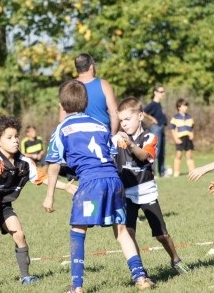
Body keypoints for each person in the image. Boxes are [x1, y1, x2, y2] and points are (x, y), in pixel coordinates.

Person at [44, 80, 153, 293]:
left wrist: (50, 196)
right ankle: (141, 278)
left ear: (63, 106)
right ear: (86, 103)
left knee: (78, 230)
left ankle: (77, 287)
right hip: (113, 182)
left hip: (91, 186)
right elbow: (111, 155)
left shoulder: (62, 129)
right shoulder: (99, 125)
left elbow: (54, 165)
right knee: (121, 231)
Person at [0, 116, 76, 288]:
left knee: (19, 235)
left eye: (16, 136)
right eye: (9, 138)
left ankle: (25, 277)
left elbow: (42, 177)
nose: (15, 140)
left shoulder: (24, 162)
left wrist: (65, 187)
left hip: (4, 206)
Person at [113, 97, 191, 275]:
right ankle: (139, 270)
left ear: (140, 116)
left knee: (161, 234)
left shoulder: (149, 137)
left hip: (146, 191)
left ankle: (176, 259)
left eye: (128, 119)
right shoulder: (117, 138)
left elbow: (143, 156)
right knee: (128, 233)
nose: (124, 124)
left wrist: (130, 144)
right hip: (126, 194)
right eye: (121, 120)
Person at [72, 52, 119, 135]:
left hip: (77, 135)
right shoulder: (104, 85)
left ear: (77, 69)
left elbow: (62, 118)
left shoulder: (69, 87)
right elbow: (114, 114)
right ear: (91, 67)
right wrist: (113, 135)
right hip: (101, 134)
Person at [144, 84, 167, 177]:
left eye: (163, 92)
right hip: (156, 128)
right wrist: (152, 119)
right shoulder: (153, 104)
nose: (163, 94)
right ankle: (153, 173)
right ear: (155, 93)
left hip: (162, 128)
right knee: (155, 151)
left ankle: (162, 172)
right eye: (161, 92)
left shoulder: (159, 104)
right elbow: (144, 112)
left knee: (162, 152)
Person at [169, 98, 195, 177]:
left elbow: (192, 127)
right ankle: (176, 172)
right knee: (179, 155)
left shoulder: (189, 117)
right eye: (184, 106)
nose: (186, 107)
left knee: (189, 155)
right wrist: (176, 138)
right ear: (179, 107)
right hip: (180, 138)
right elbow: (172, 128)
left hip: (188, 138)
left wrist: (192, 134)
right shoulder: (175, 117)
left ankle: (192, 172)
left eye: (186, 106)